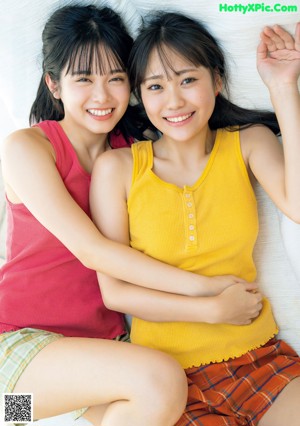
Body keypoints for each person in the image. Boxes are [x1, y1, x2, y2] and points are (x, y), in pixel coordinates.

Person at [0, 5, 208, 426]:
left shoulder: (134, 151)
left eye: (116, 78)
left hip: (98, 353)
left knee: (170, 406)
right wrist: (203, 291)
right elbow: (92, 250)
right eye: (84, 79)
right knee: (160, 381)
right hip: (19, 343)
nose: (102, 95)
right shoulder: (28, 148)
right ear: (53, 84)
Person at [90, 11, 300, 426]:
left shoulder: (248, 143)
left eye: (188, 79)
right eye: (155, 86)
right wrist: (212, 310)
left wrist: (282, 87)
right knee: (19, 406)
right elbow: (115, 293)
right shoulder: (117, 169)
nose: (174, 101)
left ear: (217, 81)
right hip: (165, 382)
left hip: (257, 360)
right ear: (140, 96)